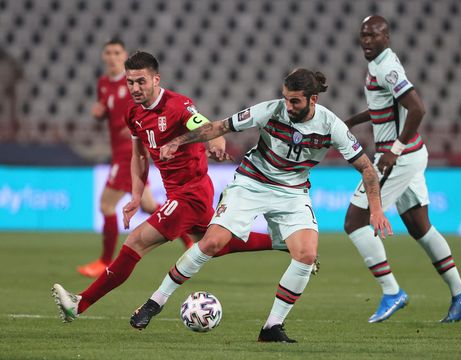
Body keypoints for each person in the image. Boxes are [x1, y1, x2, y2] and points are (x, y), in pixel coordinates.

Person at [129, 68, 392, 343]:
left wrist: (375, 208)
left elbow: (367, 169)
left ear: (313, 99)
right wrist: (178, 140)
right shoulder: (270, 110)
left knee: (306, 255)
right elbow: (219, 126)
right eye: (285, 99)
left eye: (295, 101)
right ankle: (155, 302)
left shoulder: (332, 126)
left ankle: (272, 327)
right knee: (211, 243)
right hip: (251, 182)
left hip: (292, 192)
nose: (287, 106)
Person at [51, 51, 277, 323]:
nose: (135, 88)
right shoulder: (133, 113)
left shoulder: (178, 106)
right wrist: (136, 195)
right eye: (130, 82)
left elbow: (209, 130)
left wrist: (214, 146)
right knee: (214, 244)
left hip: (191, 193)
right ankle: (285, 241)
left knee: (135, 242)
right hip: (177, 192)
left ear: (156, 79)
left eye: (141, 81)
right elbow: (139, 156)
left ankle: (80, 303)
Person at [343, 15, 461, 323]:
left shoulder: (387, 67)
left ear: (386, 38)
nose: (366, 40)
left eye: (373, 36)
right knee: (420, 227)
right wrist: (351, 121)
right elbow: (385, 107)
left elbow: (417, 108)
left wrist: (394, 150)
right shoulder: (380, 64)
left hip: (399, 158)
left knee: (354, 220)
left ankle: (392, 291)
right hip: (412, 155)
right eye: (363, 35)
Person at [77, 38, 167, 278]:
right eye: (108, 52)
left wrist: (136, 130)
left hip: (129, 152)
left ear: (124, 55)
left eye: (117, 52)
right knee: (149, 206)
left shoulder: (135, 86)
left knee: (106, 205)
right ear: (103, 56)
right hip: (117, 150)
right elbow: (107, 110)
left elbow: (147, 109)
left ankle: (104, 261)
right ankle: (187, 234)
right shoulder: (104, 83)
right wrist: (100, 113)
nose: (112, 56)